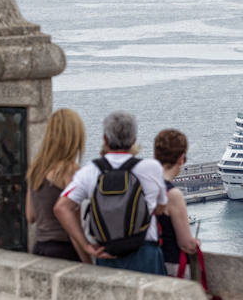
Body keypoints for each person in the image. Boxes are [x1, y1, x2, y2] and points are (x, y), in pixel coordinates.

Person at [53, 110, 168, 274]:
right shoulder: (151, 168)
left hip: (107, 254)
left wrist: (86, 245)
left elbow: (61, 208)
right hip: (145, 253)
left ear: (105, 139)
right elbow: (162, 207)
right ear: (134, 140)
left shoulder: (90, 171)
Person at [25, 108, 89, 263]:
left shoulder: (36, 168)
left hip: (40, 248)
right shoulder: (71, 171)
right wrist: (89, 262)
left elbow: (30, 216)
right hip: (64, 250)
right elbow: (73, 225)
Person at [153, 129, 198, 276]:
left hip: (149, 262)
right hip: (171, 264)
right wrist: (195, 244)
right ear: (181, 158)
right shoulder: (172, 194)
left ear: (155, 155)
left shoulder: (145, 186)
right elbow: (186, 244)